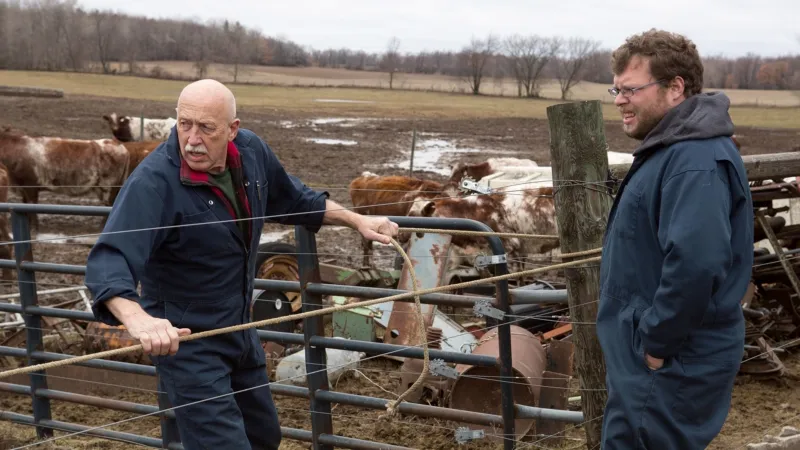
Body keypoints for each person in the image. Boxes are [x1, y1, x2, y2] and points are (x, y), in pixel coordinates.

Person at [84, 79, 399, 450]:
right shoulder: (153, 183)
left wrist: (357, 220)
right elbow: (110, 258)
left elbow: (296, 199)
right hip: (190, 345)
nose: (192, 140)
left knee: (263, 437)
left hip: (240, 329)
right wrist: (139, 320)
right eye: (185, 124)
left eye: (207, 128)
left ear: (232, 129)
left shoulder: (251, 152)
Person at [596, 29, 753, 449]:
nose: (618, 100)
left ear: (675, 88)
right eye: (616, 89)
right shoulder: (673, 149)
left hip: (668, 364)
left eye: (631, 89)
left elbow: (697, 263)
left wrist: (656, 345)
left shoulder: (693, 160)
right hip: (653, 363)